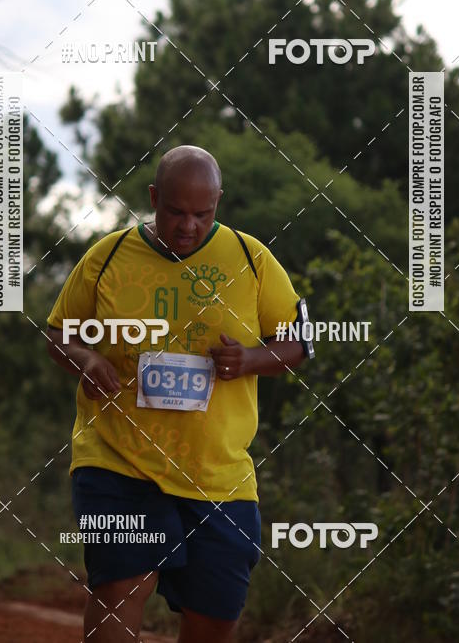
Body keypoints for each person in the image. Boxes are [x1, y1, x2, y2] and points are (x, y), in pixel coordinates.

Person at [46, 145, 314, 642]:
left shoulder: (251, 259)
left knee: (215, 614)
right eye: (175, 212)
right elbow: (59, 332)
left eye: (202, 213)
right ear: (153, 197)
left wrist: (251, 359)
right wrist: (88, 358)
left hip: (217, 473)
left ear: (217, 203)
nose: (188, 225)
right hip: (117, 459)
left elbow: (299, 341)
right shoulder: (106, 258)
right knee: (123, 586)